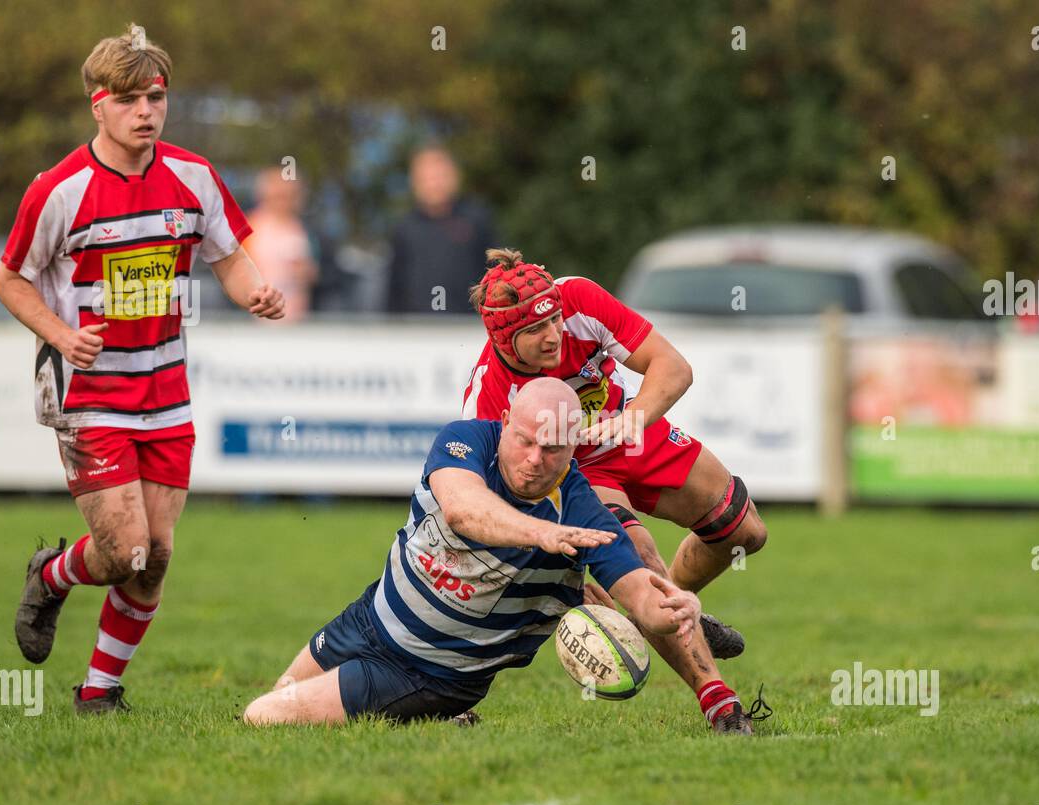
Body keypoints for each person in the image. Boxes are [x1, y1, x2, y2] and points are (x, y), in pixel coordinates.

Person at [0, 23, 285, 714]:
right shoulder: (59, 190)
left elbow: (230, 257)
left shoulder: (194, 177)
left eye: (156, 97)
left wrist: (258, 293)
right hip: (90, 396)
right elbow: (11, 280)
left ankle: (98, 690)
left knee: (154, 557)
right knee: (126, 549)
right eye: (129, 100)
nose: (146, 112)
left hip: (168, 394)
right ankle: (57, 574)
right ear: (98, 104)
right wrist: (63, 335)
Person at [244, 378, 760, 734]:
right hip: (369, 618)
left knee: (263, 717)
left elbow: (641, 601)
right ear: (506, 418)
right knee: (281, 692)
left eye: (553, 449)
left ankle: (431, 713)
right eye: (525, 440)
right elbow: (466, 513)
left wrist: (677, 610)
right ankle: (428, 728)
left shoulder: (584, 515)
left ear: (574, 447)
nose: (534, 459)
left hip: (428, 674)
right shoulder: (464, 441)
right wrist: (541, 533)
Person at [461, 249, 770, 729]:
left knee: (744, 532)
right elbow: (498, 496)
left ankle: (657, 609)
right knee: (640, 555)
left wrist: (632, 420)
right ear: (504, 340)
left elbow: (673, 367)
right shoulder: (488, 396)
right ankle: (719, 700)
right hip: (574, 472)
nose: (554, 336)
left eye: (556, 321)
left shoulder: (579, 297)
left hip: (628, 429)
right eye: (535, 332)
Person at [384, 146, 498, 314]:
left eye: (439, 176)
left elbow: (498, 275)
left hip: (470, 326)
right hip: (416, 330)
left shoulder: (476, 219)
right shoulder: (404, 228)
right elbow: (393, 286)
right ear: (414, 182)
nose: (434, 184)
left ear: (454, 177)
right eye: (426, 178)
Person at [243, 169, 317, 321]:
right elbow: (233, 270)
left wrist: (309, 272)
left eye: (288, 196)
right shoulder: (247, 228)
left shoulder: (307, 230)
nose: (283, 202)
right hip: (254, 319)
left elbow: (322, 272)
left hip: (299, 315)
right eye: (278, 196)